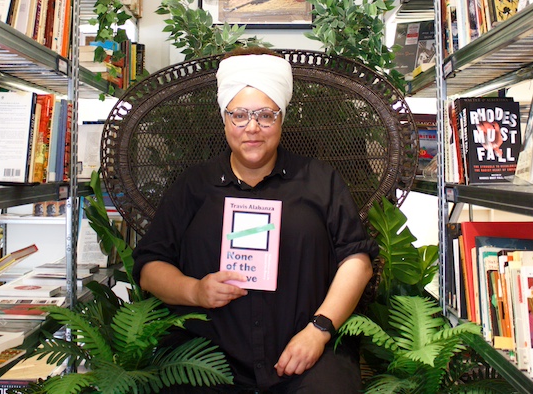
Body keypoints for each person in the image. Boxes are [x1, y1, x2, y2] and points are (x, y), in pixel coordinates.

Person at [132, 47, 378, 393]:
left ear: (282, 119)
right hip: (207, 359)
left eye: (266, 115)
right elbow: (150, 267)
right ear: (224, 118)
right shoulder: (193, 185)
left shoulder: (321, 181)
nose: (253, 128)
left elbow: (358, 262)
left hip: (306, 354)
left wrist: (318, 330)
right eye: (240, 115)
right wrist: (195, 290)